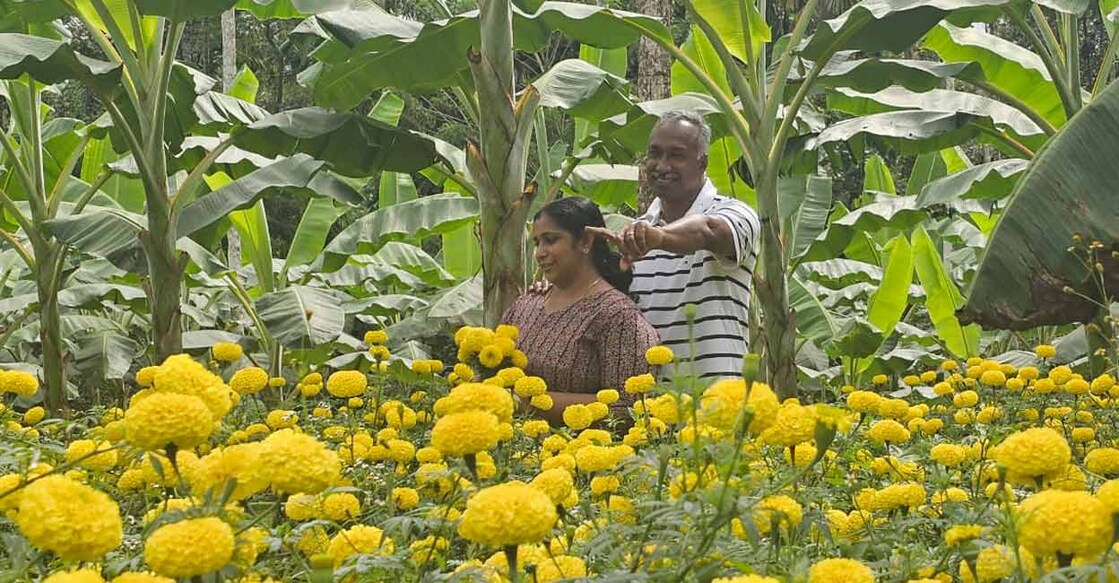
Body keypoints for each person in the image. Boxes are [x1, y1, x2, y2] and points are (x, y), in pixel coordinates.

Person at [588, 110, 760, 380]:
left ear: (702, 162)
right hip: (649, 409)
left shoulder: (737, 213)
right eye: (655, 154)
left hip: (717, 404)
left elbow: (707, 231)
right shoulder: (637, 233)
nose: (662, 165)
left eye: (676, 155)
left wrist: (658, 238)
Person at [501, 197, 659, 425]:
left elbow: (630, 407)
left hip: (583, 454)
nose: (539, 253)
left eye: (551, 240)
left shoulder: (617, 316)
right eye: (537, 243)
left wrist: (525, 402)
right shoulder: (526, 305)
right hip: (510, 452)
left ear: (585, 241)